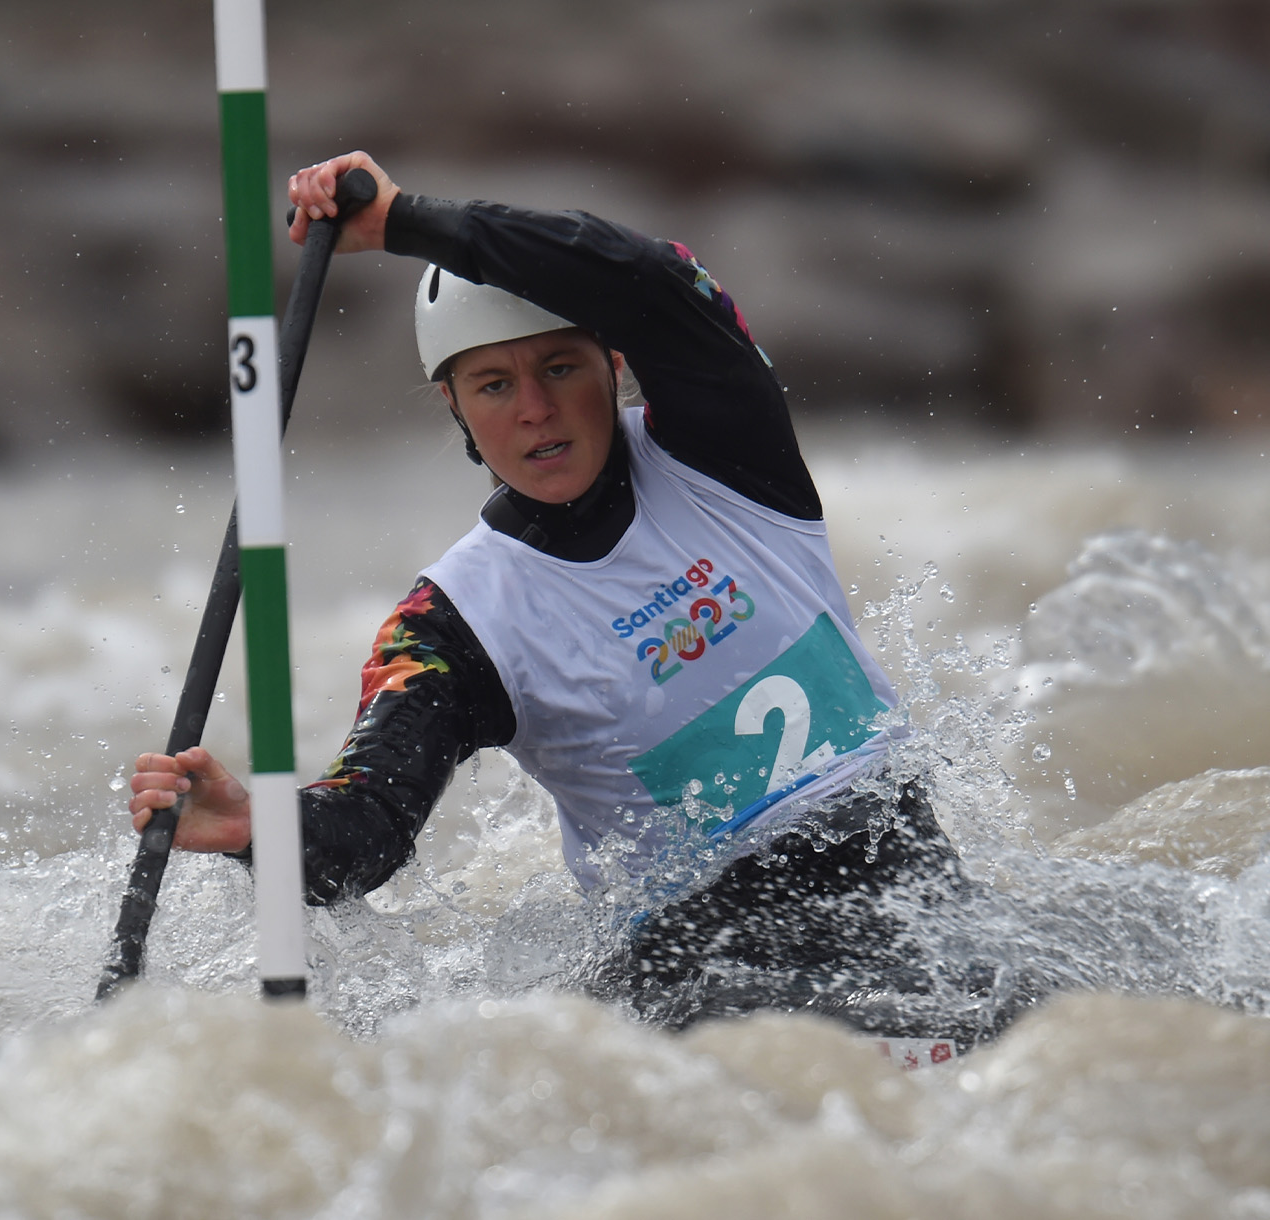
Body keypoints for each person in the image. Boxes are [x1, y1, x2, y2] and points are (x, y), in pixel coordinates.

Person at [129, 151, 988, 1035]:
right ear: (456, 407)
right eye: (494, 385)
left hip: (906, 894)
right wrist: (250, 826)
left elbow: (653, 277)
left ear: (614, 364)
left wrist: (409, 223)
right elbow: (368, 830)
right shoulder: (450, 626)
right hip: (706, 969)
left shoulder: (724, 447)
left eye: (560, 368)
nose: (534, 408)